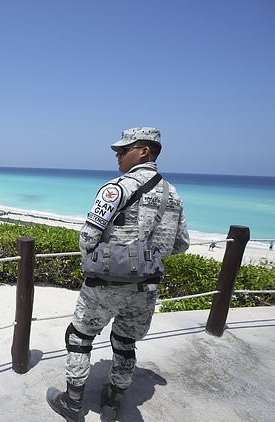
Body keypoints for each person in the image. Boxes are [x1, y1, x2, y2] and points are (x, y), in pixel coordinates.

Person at [46, 127, 190, 422]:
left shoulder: (117, 188)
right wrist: (147, 259)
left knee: (79, 337)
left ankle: (73, 403)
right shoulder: (173, 194)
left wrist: (97, 265)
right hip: (147, 288)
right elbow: (181, 244)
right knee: (125, 344)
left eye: (123, 150)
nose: (118, 156)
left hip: (107, 284)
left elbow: (87, 237)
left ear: (144, 151)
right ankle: (112, 404)